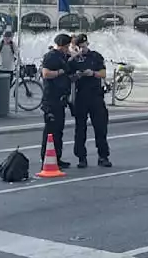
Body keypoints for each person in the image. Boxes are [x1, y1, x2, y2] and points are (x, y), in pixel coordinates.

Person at [68, 33, 112, 168]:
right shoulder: (73, 60)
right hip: (80, 96)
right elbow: (68, 77)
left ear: (87, 44)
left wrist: (92, 73)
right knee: (80, 129)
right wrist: (77, 75)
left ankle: (103, 156)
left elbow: (103, 74)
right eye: (79, 47)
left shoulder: (96, 56)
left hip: (96, 95)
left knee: (100, 127)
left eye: (83, 46)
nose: (82, 49)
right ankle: (82, 157)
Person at [39, 33, 72, 168]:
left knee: (59, 130)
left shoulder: (63, 56)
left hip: (60, 100)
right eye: (68, 46)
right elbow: (46, 73)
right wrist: (60, 72)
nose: (69, 49)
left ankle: (57, 157)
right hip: (51, 100)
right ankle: (46, 157)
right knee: (51, 130)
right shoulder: (51, 56)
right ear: (63, 46)